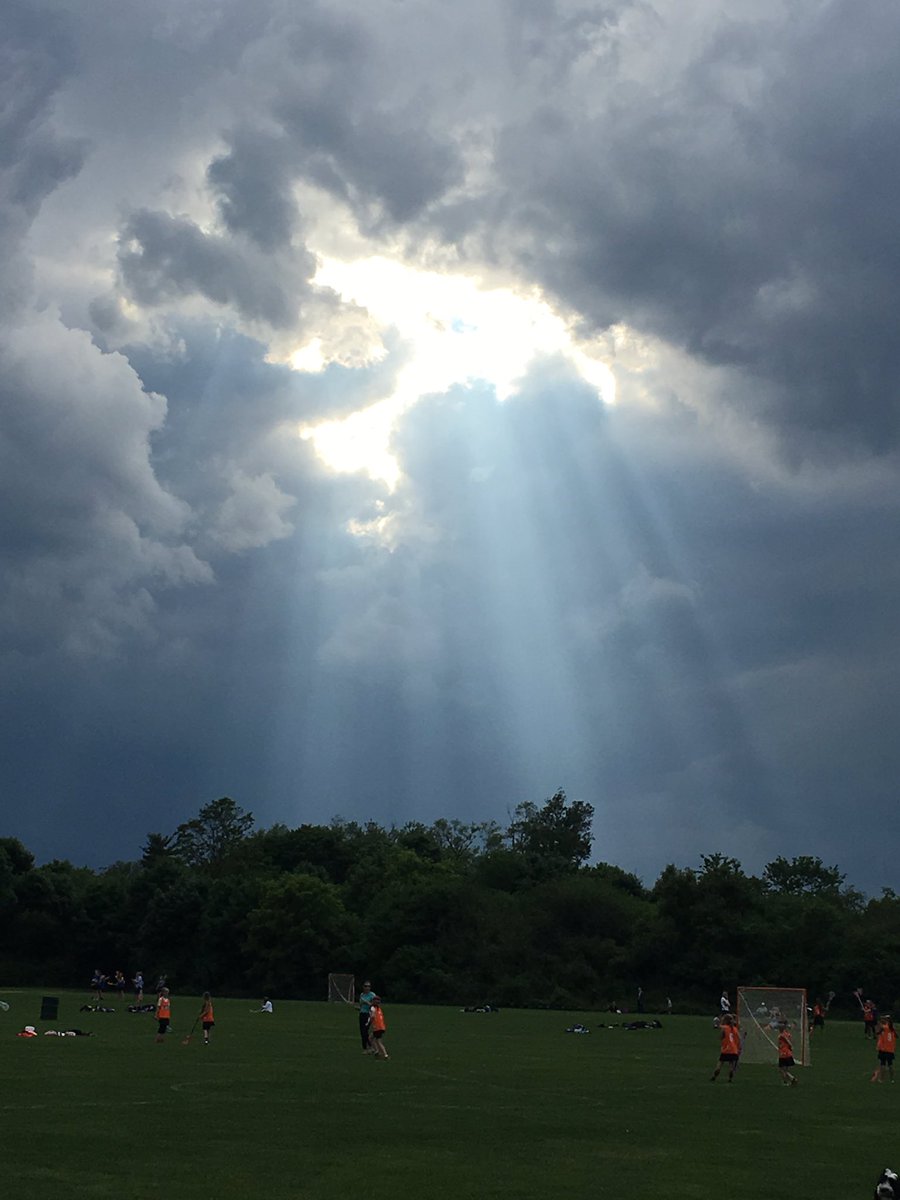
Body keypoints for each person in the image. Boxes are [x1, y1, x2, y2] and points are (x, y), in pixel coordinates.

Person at [711, 1013, 741, 1082]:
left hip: (726, 1049)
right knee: (731, 1065)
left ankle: (714, 1077)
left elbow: (721, 1037)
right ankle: (730, 1078)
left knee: (720, 1064)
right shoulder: (735, 1029)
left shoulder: (725, 1028)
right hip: (734, 1050)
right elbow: (738, 1038)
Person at [871, 1014, 896, 1083]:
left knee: (883, 1064)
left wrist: (879, 1024)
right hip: (891, 1049)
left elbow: (877, 1032)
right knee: (890, 1065)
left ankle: (881, 1079)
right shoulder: (893, 1029)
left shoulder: (884, 1027)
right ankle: (892, 1079)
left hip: (884, 1049)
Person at [778, 1021, 799, 1086]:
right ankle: (790, 1081)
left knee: (782, 1070)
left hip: (783, 1054)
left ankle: (790, 1079)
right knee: (785, 1070)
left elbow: (787, 1041)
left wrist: (790, 1045)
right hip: (788, 1053)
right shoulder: (788, 1034)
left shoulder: (781, 1035)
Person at [358, 980, 376, 1053]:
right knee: (362, 1032)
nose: (367, 988)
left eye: (368, 986)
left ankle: (371, 1047)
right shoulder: (362, 995)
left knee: (365, 1031)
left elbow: (374, 1006)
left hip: (369, 1014)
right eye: (365, 986)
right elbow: (361, 1006)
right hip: (362, 1014)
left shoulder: (372, 995)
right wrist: (358, 1008)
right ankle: (365, 1048)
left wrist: (367, 1002)